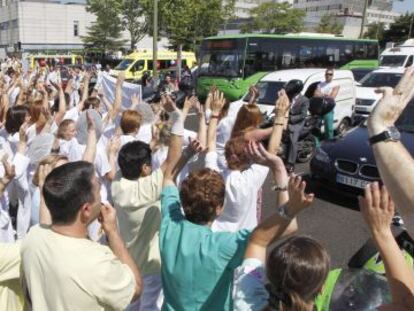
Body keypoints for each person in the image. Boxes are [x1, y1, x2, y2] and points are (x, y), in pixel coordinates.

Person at [158, 105, 313, 309]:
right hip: (230, 253)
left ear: (183, 203)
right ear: (219, 208)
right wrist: (278, 168)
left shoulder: (169, 226)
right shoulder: (225, 246)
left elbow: (169, 177)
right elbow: (289, 227)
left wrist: (188, 152)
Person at [20, 161, 142, 310]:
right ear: (86, 210)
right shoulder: (98, 261)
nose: (102, 197)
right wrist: (113, 232)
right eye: (98, 190)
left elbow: (46, 227)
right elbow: (135, 288)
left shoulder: (33, 237)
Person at [285, 80, 309, 173]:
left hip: (297, 123)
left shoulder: (304, 100)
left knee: (293, 139)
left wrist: (290, 119)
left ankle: (291, 163)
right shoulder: (289, 96)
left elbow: (303, 115)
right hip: (287, 119)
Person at [314, 68, 340, 140]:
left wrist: (321, 94)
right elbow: (315, 95)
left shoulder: (336, 84)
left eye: (330, 74)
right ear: (324, 75)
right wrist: (325, 95)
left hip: (328, 109)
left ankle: (329, 144)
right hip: (319, 108)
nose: (328, 75)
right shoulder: (320, 84)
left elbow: (332, 97)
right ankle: (316, 146)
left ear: (332, 75)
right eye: (327, 74)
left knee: (329, 128)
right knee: (316, 128)